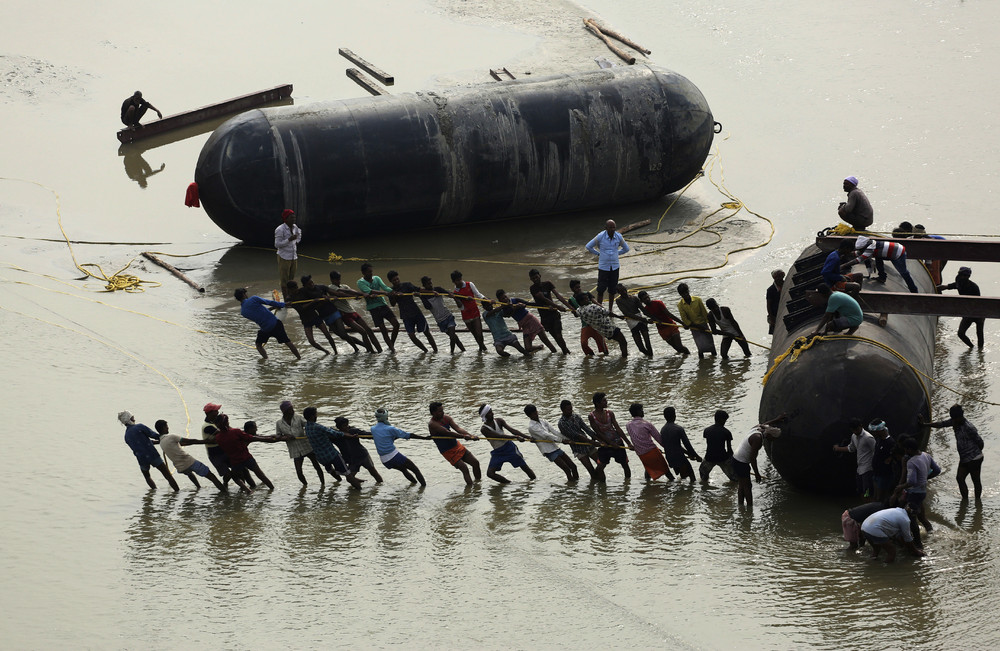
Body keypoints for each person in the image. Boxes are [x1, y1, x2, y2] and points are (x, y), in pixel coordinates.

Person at [925, 404, 985, 501]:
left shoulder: (969, 427)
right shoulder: (954, 422)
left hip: (975, 458)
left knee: (976, 481)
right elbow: (941, 424)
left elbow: (980, 442)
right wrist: (925, 424)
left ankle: (978, 503)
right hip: (964, 459)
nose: (953, 420)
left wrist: (974, 453)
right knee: (960, 478)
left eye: (955, 419)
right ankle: (965, 501)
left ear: (960, 417)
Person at [300, 275, 370, 353]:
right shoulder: (303, 293)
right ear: (305, 285)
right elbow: (308, 305)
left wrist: (353, 296)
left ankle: (359, 348)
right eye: (309, 284)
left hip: (334, 312)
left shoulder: (321, 287)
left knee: (343, 334)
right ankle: (360, 347)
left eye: (312, 282)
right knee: (342, 336)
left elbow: (336, 293)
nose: (312, 285)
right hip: (325, 316)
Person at [302, 407, 364, 490]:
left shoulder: (307, 428)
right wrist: (350, 435)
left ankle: (337, 483)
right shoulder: (317, 427)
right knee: (348, 475)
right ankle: (359, 493)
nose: (317, 416)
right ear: (312, 416)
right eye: (316, 414)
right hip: (332, 454)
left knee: (331, 470)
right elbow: (334, 433)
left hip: (321, 457)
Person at [214, 415, 281, 491]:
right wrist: (274, 439)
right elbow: (254, 437)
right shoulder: (236, 431)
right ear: (227, 423)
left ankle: (248, 491)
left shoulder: (218, 437)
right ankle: (272, 489)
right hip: (246, 458)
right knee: (260, 475)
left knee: (236, 478)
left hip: (235, 461)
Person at [154, 420, 225, 491]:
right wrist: (206, 441)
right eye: (166, 427)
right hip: (189, 461)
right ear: (163, 428)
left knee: (189, 473)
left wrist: (195, 442)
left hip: (181, 467)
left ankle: (198, 487)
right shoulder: (171, 437)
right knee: (211, 476)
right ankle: (224, 492)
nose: (168, 428)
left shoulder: (161, 442)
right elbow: (190, 441)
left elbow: (183, 444)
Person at [235, 287, 301, 360]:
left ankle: (266, 360)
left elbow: (258, 314)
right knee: (287, 342)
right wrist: (283, 304)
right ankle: (299, 358)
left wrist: (272, 308)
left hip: (265, 329)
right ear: (244, 295)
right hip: (275, 324)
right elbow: (269, 302)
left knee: (258, 345)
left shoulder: (243, 312)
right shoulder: (253, 298)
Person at [119, 410, 179, 491]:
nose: (134, 419)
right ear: (130, 419)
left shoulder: (126, 436)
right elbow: (153, 435)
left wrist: (157, 442)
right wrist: (165, 438)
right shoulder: (139, 427)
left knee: (147, 477)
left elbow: (140, 444)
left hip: (141, 460)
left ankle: (154, 491)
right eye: (133, 418)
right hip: (152, 455)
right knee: (167, 475)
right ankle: (177, 492)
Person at [731, 419, 783, 509]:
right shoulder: (758, 439)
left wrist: (779, 418)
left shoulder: (758, 428)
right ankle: (750, 510)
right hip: (741, 462)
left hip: (736, 458)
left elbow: (766, 424)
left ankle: (741, 506)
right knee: (747, 486)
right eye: (773, 439)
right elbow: (752, 458)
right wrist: (757, 474)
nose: (773, 441)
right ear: (770, 435)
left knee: (742, 485)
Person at [200, 403, 253, 489]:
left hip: (225, 451)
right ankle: (228, 485)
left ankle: (246, 487)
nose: (218, 412)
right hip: (215, 455)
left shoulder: (217, 423)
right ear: (209, 413)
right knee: (228, 474)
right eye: (216, 411)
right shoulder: (208, 426)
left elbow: (229, 431)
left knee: (241, 470)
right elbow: (225, 433)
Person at [478, 405, 536, 484]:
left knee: (524, 466)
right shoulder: (484, 429)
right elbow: (499, 437)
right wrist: (515, 437)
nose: (493, 413)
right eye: (490, 412)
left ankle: (534, 481)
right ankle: (509, 483)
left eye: (491, 411)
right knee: (490, 474)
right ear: (485, 415)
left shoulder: (499, 421)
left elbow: (512, 430)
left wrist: (528, 437)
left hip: (509, 448)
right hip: (498, 452)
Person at [428, 402, 482, 486]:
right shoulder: (432, 424)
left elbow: (458, 429)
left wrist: (471, 436)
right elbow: (448, 433)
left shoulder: (447, 418)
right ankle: (471, 489)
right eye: (440, 411)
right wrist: (464, 436)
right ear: (433, 413)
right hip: (447, 451)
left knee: (475, 463)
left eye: (442, 410)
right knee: (465, 468)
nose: (442, 413)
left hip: (457, 445)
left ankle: (478, 485)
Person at [370, 408, 428, 485]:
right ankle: (423, 488)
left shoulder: (373, 429)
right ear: (386, 417)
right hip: (393, 455)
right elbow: (408, 435)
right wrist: (424, 438)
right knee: (415, 469)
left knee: (404, 470)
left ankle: (414, 484)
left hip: (384, 460)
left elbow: (385, 437)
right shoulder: (391, 429)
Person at [843, 235, 919, 293]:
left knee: (904, 272)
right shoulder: (871, 244)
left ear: (864, 247)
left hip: (898, 254)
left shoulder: (870, 249)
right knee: (878, 259)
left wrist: (844, 265)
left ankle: (914, 291)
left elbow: (859, 259)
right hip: (890, 251)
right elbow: (858, 253)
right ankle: (882, 277)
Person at [275, 400, 326, 487]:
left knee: (317, 466)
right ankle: (305, 486)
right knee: (299, 472)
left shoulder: (298, 417)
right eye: (290, 409)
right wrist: (285, 437)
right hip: (294, 449)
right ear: (285, 411)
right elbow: (278, 436)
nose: (293, 410)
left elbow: (309, 425)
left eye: (292, 408)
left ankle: (323, 485)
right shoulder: (279, 423)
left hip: (306, 446)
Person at [329, 270, 382, 352]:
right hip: (345, 314)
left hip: (352, 311)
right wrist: (357, 295)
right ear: (332, 280)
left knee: (369, 330)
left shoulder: (344, 286)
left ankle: (379, 350)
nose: (338, 281)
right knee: (363, 332)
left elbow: (352, 291)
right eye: (336, 280)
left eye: (339, 279)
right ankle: (371, 352)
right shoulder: (331, 288)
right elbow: (341, 293)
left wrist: (359, 295)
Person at [896, 437, 941, 533]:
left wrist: (901, 486)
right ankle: (931, 533)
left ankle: (916, 541)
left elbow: (911, 481)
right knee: (921, 516)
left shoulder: (911, 462)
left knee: (911, 518)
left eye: (905, 449)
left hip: (914, 493)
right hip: (922, 491)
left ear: (909, 449)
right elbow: (937, 470)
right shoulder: (926, 455)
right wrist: (925, 477)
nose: (905, 451)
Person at [586, 219, 631, 314]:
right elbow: (588, 246)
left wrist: (616, 253)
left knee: (612, 290)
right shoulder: (600, 236)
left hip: (615, 266)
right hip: (603, 267)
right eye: (610, 227)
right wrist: (598, 254)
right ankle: (600, 309)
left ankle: (610, 309)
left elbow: (626, 248)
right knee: (601, 289)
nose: (612, 229)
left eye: (614, 227)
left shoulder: (618, 236)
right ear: (605, 228)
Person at [387, 270, 438, 353]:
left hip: (416, 313)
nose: (396, 281)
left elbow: (419, 290)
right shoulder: (391, 291)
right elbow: (393, 304)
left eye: (397, 279)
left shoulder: (407, 285)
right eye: (394, 280)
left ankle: (436, 351)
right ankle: (425, 351)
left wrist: (431, 292)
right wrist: (394, 296)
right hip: (406, 316)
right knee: (411, 336)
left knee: (427, 332)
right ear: (390, 281)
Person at [525, 404, 578, 481]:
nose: (536, 414)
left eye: (536, 412)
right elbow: (546, 436)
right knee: (566, 469)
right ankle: (572, 487)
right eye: (533, 413)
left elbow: (554, 431)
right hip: (548, 451)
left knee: (573, 466)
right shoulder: (532, 427)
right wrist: (562, 440)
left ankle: (575, 483)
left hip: (555, 447)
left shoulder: (543, 421)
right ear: (529, 415)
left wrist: (567, 439)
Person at [558, 399, 608, 482]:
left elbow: (586, 429)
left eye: (571, 409)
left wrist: (599, 440)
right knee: (591, 470)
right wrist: (592, 442)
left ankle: (602, 488)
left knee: (601, 463)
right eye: (568, 410)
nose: (570, 411)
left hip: (589, 445)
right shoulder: (562, 423)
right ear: (562, 410)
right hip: (578, 449)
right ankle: (595, 483)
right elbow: (576, 435)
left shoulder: (576, 416)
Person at [285, 279, 338, 355]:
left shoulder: (303, 291)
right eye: (293, 289)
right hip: (305, 320)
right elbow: (301, 308)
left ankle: (335, 351)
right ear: (289, 290)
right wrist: (312, 302)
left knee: (327, 335)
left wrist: (324, 296)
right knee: (311, 341)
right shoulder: (289, 299)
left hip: (314, 316)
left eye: (296, 288)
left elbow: (314, 293)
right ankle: (326, 351)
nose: (296, 290)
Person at [528, 268, 574, 354]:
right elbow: (543, 298)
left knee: (559, 336)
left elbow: (558, 296)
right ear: (531, 279)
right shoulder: (533, 288)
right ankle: (566, 353)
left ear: (540, 276)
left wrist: (570, 307)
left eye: (536, 277)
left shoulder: (548, 284)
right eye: (533, 278)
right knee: (556, 338)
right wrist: (557, 306)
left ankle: (566, 353)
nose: (535, 279)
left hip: (554, 314)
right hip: (545, 317)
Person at [588, 392, 633, 479]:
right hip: (605, 445)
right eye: (604, 401)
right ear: (597, 403)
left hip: (617, 442)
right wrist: (610, 443)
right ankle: (601, 486)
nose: (606, 402)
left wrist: (628, 443)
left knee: (625, 465)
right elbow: (598, 432)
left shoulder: (610, 413)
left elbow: (618, 429)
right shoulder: (591, 416)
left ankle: (627, 486)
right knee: (600, 466)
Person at [937, 267, 984, 348]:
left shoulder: (974, 287)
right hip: (967, 313)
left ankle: (980, 352)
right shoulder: (959, 284)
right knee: (961, 333)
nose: (962, 277)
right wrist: (935, 288)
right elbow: (946, 287)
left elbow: (977, 302)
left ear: (968, 276)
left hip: (978, 313)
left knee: (979, 334)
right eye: (961, 274)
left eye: (965, 275)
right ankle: (972, 347)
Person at [357, 263, 400, 352]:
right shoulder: (360, 282)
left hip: (383, 305)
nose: (371, 273)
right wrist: (385, 293)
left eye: (371, 271)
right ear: (363, 272)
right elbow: (370, 291)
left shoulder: (377, 278)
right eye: (369, 272)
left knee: (396, 324)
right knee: (383, 330)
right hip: (373, 308)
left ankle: (391, 344)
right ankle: (392, 350)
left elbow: (384, 287)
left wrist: (393, 291)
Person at [495, 289, 554, 353]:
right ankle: (539, 347)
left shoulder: (515, 300)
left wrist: (546, 306)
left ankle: (555, 352)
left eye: (505, 297)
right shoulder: (503, 308)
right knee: (528, 348)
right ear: (500, 300)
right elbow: (508, 314)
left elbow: (529, 304)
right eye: (503, 299)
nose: (505, 299)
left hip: (532, 320)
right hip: (524, 325)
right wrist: (515, 308)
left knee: (545, 340)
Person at [625, 403, 673, 482]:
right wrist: (669, 449)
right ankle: (675, 485)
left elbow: (636, 438)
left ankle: (647, 484)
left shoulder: (628, 425)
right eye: (641, 410)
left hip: (640, 453)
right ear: (638, 412)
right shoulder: (647, 424)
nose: (643, 412)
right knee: (666, 470)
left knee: (648, 468)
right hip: (651, 451)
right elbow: (659, 439)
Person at [860, 507, 926, 562]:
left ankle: (872, 562)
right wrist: (916, 551)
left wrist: (905, 546)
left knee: (876, 549)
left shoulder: (898, 510)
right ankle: (886, 570)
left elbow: (899, 535)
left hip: (864, 527)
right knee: (892, 551)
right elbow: (908, 539)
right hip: (874, 529)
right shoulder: (905, 520)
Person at [832, 418, 877, 500]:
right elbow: (851, 448)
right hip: (859, 469)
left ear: (861, 426)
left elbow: (876, 452)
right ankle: (864, 508)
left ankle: (869, 509)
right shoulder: (854, 436)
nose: (855, 432)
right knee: (860, 491)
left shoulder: (868, 438)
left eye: (857, 429)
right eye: (853, 430)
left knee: (867, 492)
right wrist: (838, 449)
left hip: (868, 469)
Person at [331, 417, 384, 484]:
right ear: (339, 427)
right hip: (352, 460)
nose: (347, 427)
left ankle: (380, 485)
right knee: (350, 478)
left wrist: (379, 436)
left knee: (373, 472)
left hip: (363, 455)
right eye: (344, 426)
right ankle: (360, 484)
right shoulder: (336, 436)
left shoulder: (353, 431)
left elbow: (366, 434)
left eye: (347, 425)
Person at [575, 291, 629, 356]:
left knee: (620, 341)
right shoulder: (592, 307)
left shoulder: (579, 310)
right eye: (586, 299)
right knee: (623, 342)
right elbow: (608, 312)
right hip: (609, 328)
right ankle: (624, 359)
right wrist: (619, 317)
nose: (588, 299)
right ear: (581, 302)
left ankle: (623, 358)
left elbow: (576, 314)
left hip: (602, 331)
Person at [420, 275, 465, 353]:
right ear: (424, 286)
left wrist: (451, 295)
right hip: (440, 321)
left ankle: (452, 353)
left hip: (448, 316)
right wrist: (422, 296)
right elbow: (428, 307)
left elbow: (448, 294)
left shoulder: (438, 289)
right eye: (428, 284)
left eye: (431, 283)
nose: (430, 285)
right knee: (454, 337)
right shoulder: (424, 296)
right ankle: (463, 351)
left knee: (452, 336)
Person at [637, 290, 689, 355]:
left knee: (679, 346)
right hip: (662, 330)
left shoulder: (658, 303)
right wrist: (651, 321)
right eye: (645, 299)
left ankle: (689, 356)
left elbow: (669, 314)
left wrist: (682, 323)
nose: (647, 299)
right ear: (642, 301)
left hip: (671, 326)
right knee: (677, 348)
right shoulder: (645, 310)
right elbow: (652, 318)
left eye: (647, 297)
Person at [659, 407, 702, 482]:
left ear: (664, 417)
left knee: (683, 477)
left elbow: (673, 445)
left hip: (670, 458)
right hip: (679, 457)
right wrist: (696, 456)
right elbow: (687, 445)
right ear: (675, 416)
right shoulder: (678, 429)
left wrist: (689, 454)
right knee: (692, 479)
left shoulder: (663, 430)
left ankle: (680, 492)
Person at [451, 270, 489, 352]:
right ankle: (482, 350)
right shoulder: (455, 292)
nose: (459, 282)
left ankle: (482, 349)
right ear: (453, 282)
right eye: (457, 280)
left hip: (475, 312)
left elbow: (478, 295)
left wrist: (486, 300)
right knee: (475, 334)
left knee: (479, 334)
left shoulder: (469, 284)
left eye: (460, 279)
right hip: (466, 315)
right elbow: (460, 306)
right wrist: (455, 298)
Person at [568, 279, 608, 355]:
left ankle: (605, 357)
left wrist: (604, 310)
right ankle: (591, 355)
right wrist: (574, 312)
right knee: (583, 344)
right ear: (572, 289)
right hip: (585, 325)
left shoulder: (587, 294)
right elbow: (576, 315)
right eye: (577, 287)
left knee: (602, 345)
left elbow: (596, 303)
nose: (579, 289)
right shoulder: (571, 300)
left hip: (595, 323)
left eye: (579, 287)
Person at [676, 283, 716, 359]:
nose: (685, 295)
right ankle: (702, 362)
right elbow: (685, 319)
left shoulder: (698, 300)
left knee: (711, 345)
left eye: (686, 292)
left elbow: (705, 314)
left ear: (688, 291)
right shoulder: (680, 305)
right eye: (683, 294)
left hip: (704, 325)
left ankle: (713, 360)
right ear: (680, 294)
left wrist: (711, 327)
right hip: (694, 328)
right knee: (700, 348)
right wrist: (696, 326)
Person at [616, 285, 653, 357]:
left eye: (624, 290)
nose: (624, 292)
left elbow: (643, 310)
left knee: (648, 343)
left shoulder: (634, 298)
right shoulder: (619, 301)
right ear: (618, 292)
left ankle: (650, 358)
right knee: (641, 348)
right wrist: (641, 319)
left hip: (641, 322)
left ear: (626, 289)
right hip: (632, 323)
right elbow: (627, 313)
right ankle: (649, 356)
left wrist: (653, 318)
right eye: (621, 291)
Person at [700, 410, 735, 483]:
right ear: (722, 420)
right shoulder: (726, 432)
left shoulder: (707, 430)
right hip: (723, 458)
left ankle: (705, 486)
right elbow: (729, 450)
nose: (725, 422)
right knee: (734, 478)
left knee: (703, 475)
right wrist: (733, 461)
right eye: (725, 420)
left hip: (709, 457)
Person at [274, 209, 301, 296]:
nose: (293, 219)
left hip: (293, 256)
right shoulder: (280, 229)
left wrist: (297, 240)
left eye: (294, 217)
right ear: (286, 219)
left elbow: (299, 234)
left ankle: (291, 296)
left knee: (291, 278)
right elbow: (277, 244)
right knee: (284, 279)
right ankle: (286, 299)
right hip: (284, 256)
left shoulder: (295, 227)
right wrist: (289, 240)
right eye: (291, 217)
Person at [869, 419, 897, 503]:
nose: (873, 434)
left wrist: (890, 459)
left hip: (884, 475)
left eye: (875, 432)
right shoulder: (879, 440)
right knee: (875, 496)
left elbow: (894, 456)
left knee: (880, 498)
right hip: (876, 473)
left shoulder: (890, 442)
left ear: (880, 431)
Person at [766, 269, 785, 335]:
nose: (780, 279)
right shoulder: (771, 290)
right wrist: (771, 317)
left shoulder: (786, 285)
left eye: (781, 276)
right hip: (775, 313)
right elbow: (768, 304)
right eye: (778, 277)